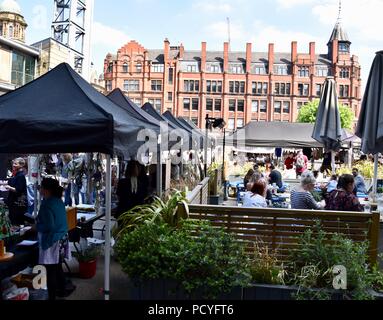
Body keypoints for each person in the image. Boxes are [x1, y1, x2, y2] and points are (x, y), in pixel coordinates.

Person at [36, 178, 72, 300]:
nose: (39, 189)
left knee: (50, 270)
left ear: (46, 190)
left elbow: (48, 226)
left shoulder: (46, 204)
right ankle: (62, 291)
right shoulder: (58, 201)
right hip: (62, 238)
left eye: (41, 187)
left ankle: (52, 297)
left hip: (53, 240)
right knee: (57, 266)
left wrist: (36, 227)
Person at [4, 158, 28, 225]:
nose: (13, 165)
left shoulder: (21, 176)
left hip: (18, 204)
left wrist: (9, 187)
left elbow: (18, 190)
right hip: (13, 202)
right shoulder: (15, 175)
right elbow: (10, 183)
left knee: (17, 223)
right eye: (13, 163)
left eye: (15, 164)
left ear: (21, 165)